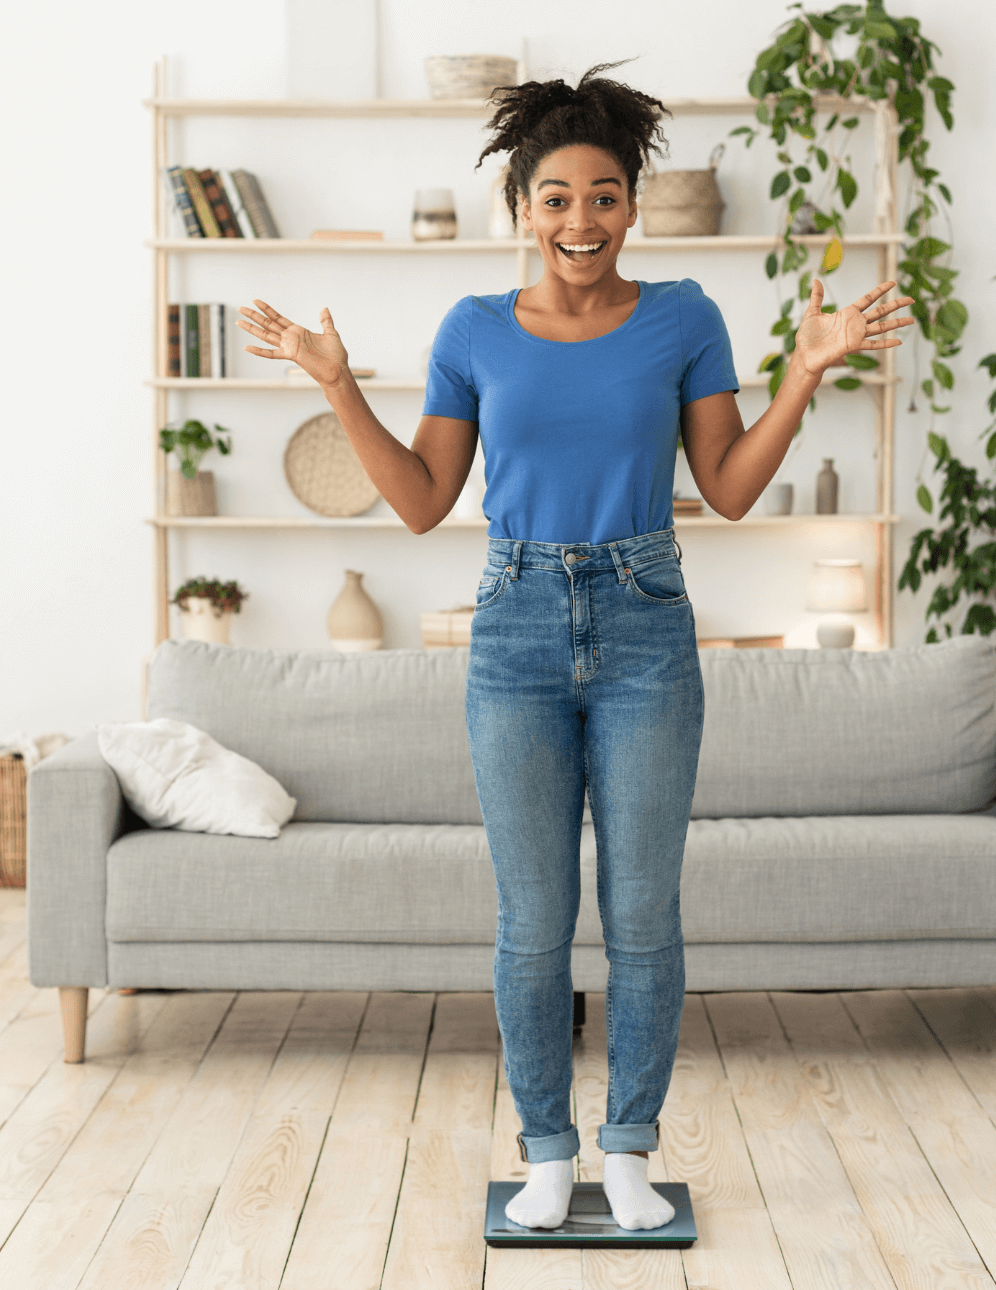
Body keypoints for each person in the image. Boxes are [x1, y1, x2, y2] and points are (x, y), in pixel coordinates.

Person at [235, 62, 913, 1233]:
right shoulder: (473, 330)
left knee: (644, 914)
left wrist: (804, 371)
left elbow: (733, 489)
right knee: (531, 919)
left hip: (647, 616)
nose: (580, 221)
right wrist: (341, 385)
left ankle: (633, 1151)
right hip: (515, 627)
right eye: (556, 198)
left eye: (603, 196)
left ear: (632, 204)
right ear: (522, 208)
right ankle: (547, 1151)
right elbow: (420, 501)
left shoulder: (685, 319)